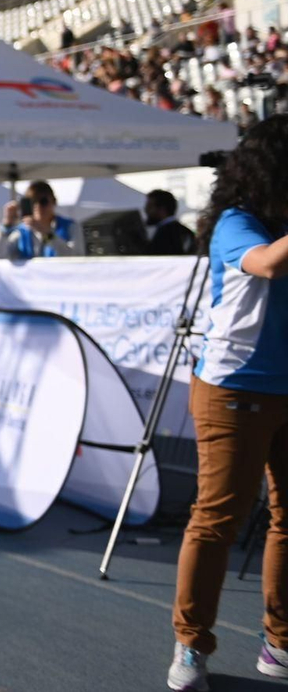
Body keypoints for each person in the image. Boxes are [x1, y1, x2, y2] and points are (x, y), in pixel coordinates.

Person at [167, 116, 288, 691]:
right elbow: (268, 264)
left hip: (281, 388)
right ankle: (190, 644)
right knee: (217, 519)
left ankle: (279, 644)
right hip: (233, 389)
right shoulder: (236, 224)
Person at [0, 181, 82, 259]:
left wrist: (48, 235)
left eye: (43, 201)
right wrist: (6, 224)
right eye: (33, 201)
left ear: (54, 201)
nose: (38, 206)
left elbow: (77, 258)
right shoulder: (22, 231)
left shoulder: (70, 227)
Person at [145, 189, 197, 256]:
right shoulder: (186, 231)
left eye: (149, 206)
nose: (146, 210)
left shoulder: (164, 234)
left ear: (162, 209)